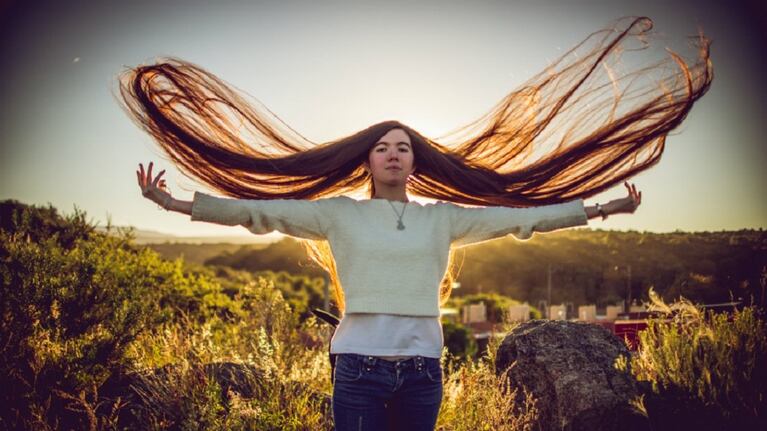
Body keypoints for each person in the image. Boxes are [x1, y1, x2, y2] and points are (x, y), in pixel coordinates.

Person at [125, 16, 709, 431]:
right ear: (368, 159)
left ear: (415, 158)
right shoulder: (338, 214)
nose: (394, 153)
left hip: (425, 368)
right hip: (358, 367)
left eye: (403, 146)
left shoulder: (443, 220)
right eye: (382, 147)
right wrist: (176, 206)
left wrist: (603, 208)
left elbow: (522, 220)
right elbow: (259, 212)